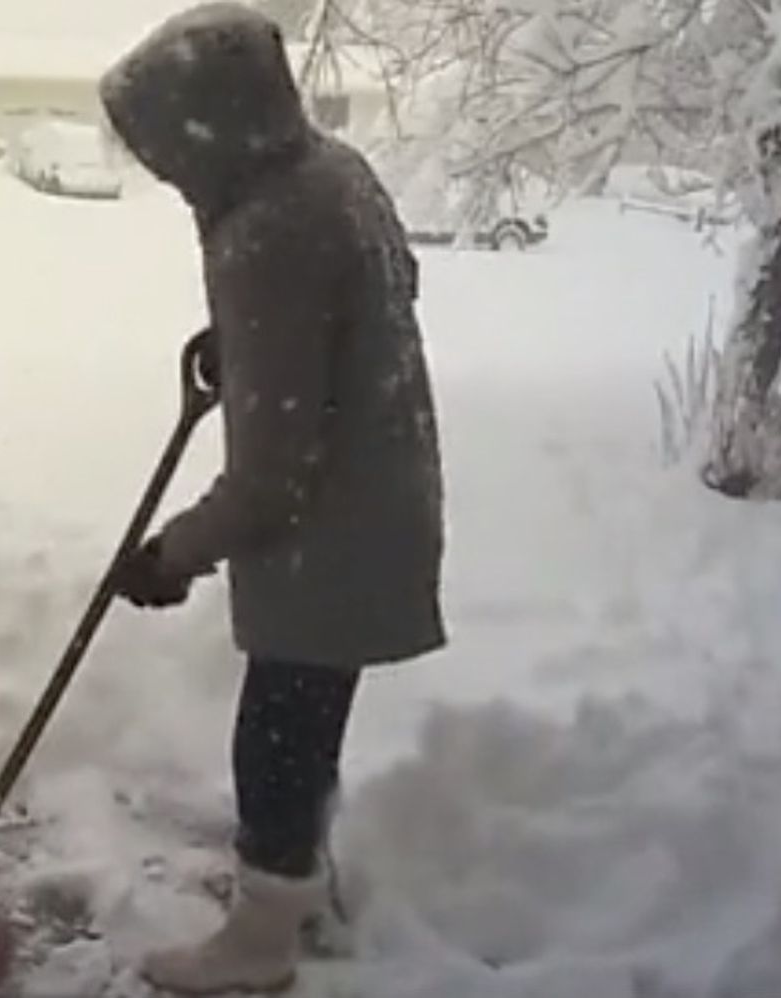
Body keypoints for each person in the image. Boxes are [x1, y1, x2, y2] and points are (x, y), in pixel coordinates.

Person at [98, 5, 447, 994]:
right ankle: (293, 882)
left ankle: (260, 939)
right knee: (305, 719)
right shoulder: (328, 172)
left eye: (160, 142)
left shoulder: (264, 230)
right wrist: (251, 350)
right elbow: (382, 290)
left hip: (323, 532)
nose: (161, 168)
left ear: (202, 122)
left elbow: (267, 477)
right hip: (381, 496)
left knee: (277, 734)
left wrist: (172, 553)